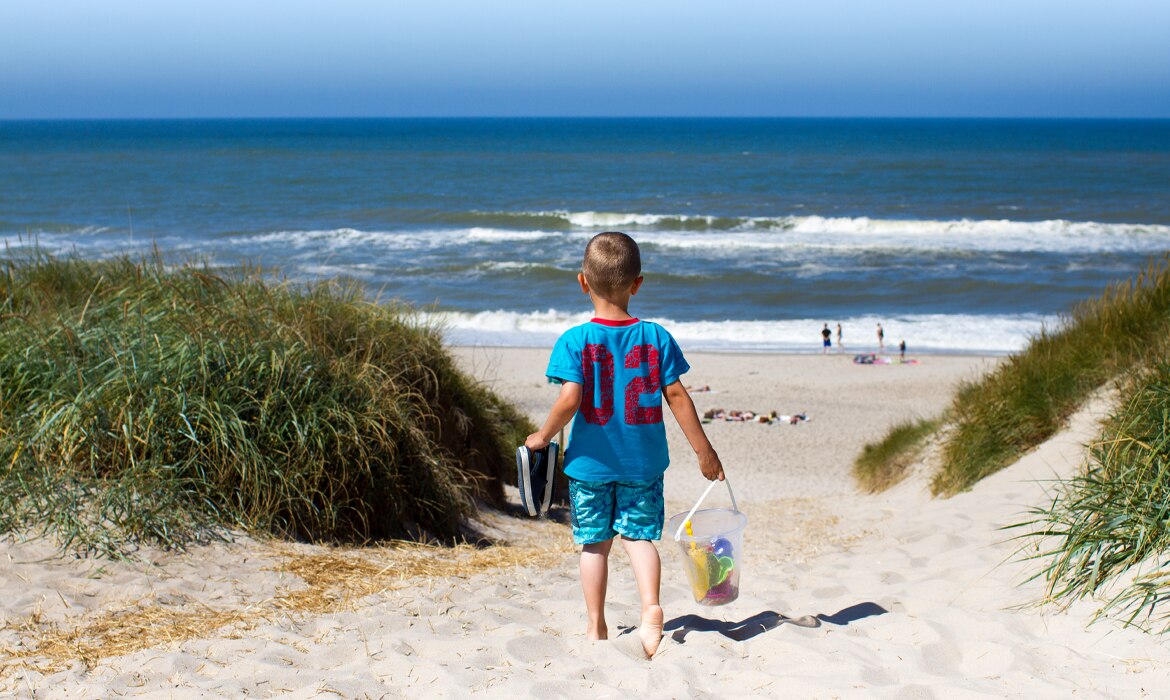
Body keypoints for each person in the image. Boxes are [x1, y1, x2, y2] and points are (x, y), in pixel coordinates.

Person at [525, 231, 724, 660]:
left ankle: (596, 623)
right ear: (637, 283)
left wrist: (542, 437)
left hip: (590, 467)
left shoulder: (574, 341)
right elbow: (677, 396)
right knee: (639, 539)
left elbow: (569, 399)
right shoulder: (656, 337)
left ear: (582, 282)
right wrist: (704, 451)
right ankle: (651, 609)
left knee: (594, 545)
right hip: (644, 463)